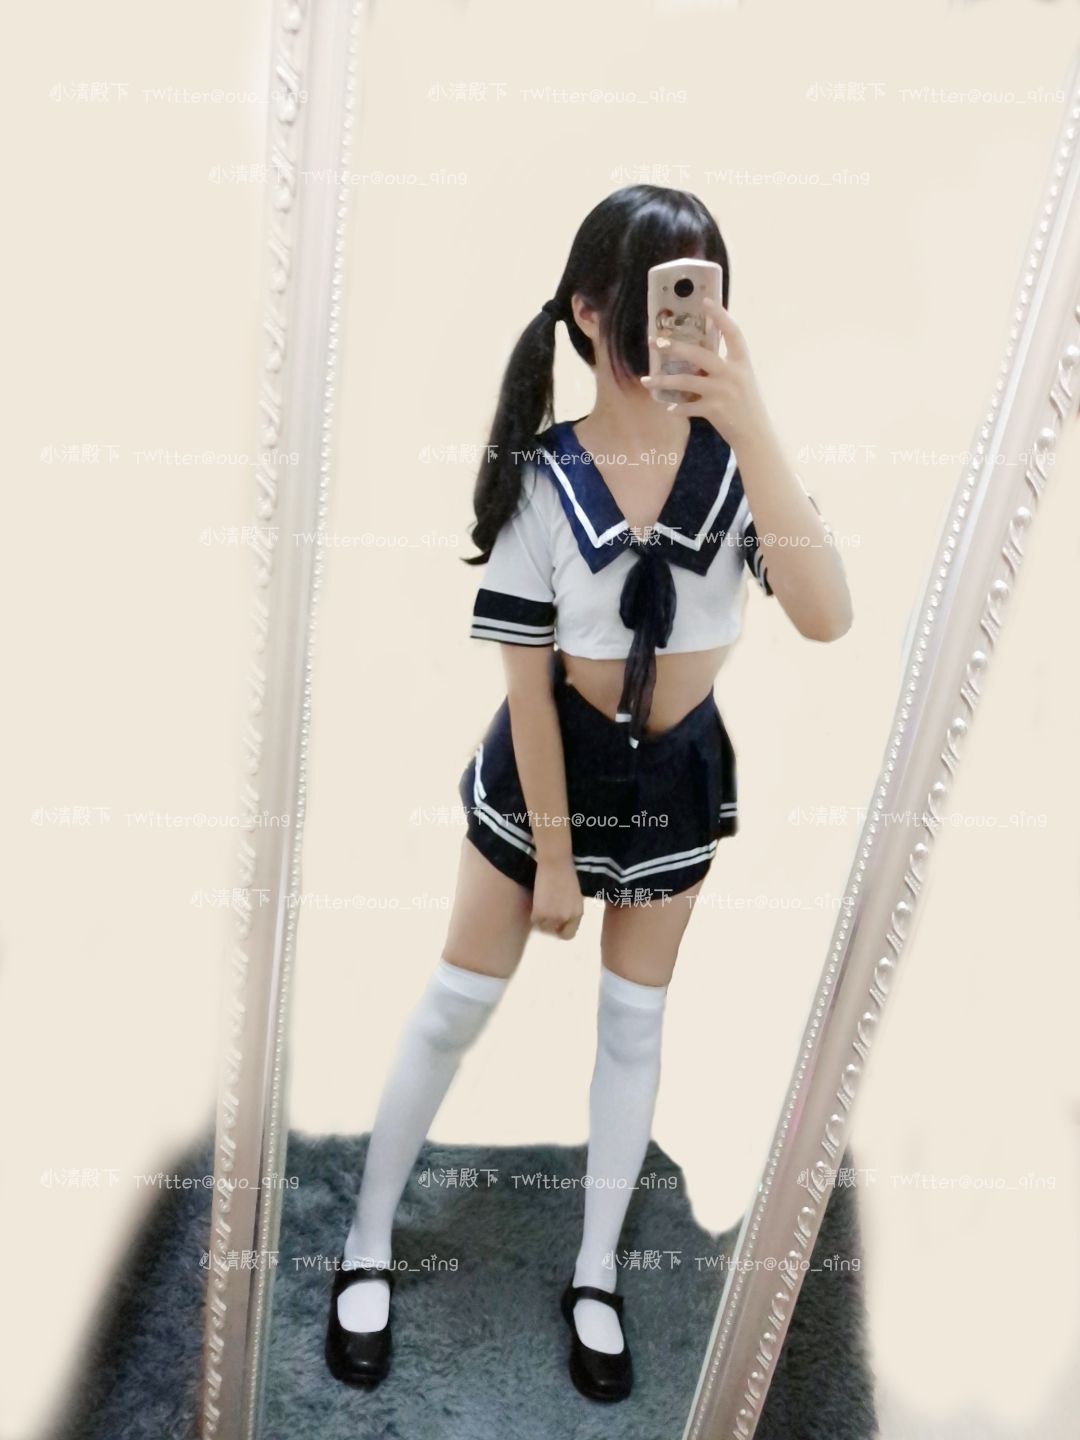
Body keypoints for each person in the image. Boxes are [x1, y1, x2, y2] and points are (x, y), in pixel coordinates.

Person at [325, 184, 852, 1403]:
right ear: (589, 312)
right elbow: (527, 688)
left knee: (633, 1026)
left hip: (675, 780)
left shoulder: (739, 471)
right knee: (457, 1003)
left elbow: (827, 617)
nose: (679, 325)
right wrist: (554, 861)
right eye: (656, 297)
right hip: (546, 769)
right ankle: (366, 1238)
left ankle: (598, 1272)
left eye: (699, 294)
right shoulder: (545, 478)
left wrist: (756, 423)